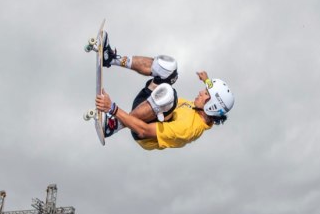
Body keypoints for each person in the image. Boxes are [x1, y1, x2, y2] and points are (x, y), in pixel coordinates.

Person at [94, 32, 234, 151]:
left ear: (212, 106)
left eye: (205, 94)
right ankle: (110, 58)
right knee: (168, 68)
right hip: (150, 104)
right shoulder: (203, 109)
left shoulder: (187, 129)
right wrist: (207, 81)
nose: (200, 92)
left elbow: (144, 131)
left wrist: (112, 109)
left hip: (142, 130)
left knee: (169, 95)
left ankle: (114, 125)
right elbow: (214, 94)